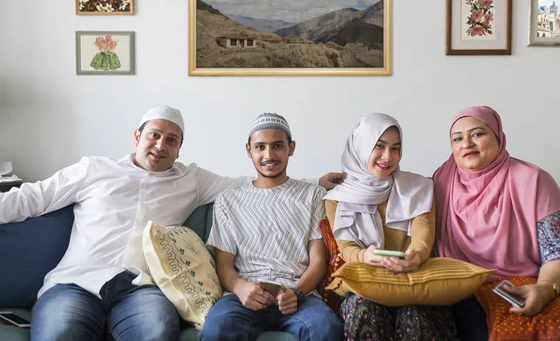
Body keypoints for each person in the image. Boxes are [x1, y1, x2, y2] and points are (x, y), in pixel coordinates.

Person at [0, 105, 343, 341]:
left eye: (172, 140)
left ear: (180, 148)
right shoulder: (94, 169)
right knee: (61, 333)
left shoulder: (192, 180)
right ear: (137, 136)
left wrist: (316, 183)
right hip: (77, 283)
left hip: (140, 289)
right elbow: (31, 197)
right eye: (154, 135)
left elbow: (258, 181)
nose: (161, 145)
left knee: (158, 332)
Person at [433, 105, 560, 340]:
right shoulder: (441, 182)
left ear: (498, 137)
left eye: (477, 134)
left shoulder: (533, 181)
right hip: (456, 290)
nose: (466, 144)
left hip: (520, 287)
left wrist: (545, 289)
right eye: (457, 138)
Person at [199, 113, 343, 341]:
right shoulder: (228, 201)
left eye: (277, 146)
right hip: (245, 294)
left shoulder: (313, 195)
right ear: (249, 150)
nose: (268, 155)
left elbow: (318, 262)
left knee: (326, 329)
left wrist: (296, 292)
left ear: (291, 148)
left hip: (298, 294)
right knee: (217, 331)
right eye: (260, 147)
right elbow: (224, 265)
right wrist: (240, 288)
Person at [324, 113, 458, 341]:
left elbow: (423, 231)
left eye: (396, 148)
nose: (388, 157)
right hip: (367, 280)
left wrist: (415, 255)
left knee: (415, 313)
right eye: (379, 146)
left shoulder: (418, 187)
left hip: (412, 279)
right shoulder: (337, 198)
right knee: (362, 307)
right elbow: (346, 246)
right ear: (360, 147)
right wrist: (366, 256)